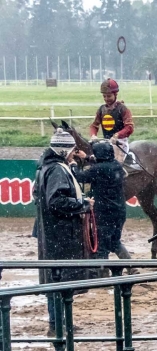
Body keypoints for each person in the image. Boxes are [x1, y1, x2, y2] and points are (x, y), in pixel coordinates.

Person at [33, 129, 94, 336]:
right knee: (60, 280)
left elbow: (41, 197)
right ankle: (59, 324)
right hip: (60, 234)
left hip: (52, 233)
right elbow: (56, 201)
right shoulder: (58, 170)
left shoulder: (45, 168)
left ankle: (58, 323)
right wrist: (82, 203)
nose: (72, 154)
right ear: (63, 151)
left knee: (55, 279)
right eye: (70, 151)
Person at [73, 142, 131, 262]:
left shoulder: (97, 169)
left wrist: (73, 165)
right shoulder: (116, 165)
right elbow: (102, 165)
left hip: (104, 213)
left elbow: (80, 176)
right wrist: (87, 158)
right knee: (115, 242)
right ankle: (131, 267)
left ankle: (102, 275)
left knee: (101, 247)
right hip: (119, 212)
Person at [89, 78, 139, 169]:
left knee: (115, 168)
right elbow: (94, 126)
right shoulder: (101, 109)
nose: (106, 99)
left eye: (109, 96)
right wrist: (93, 135)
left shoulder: (123, 109)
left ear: (115, 95)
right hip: (106, 142)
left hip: (120, 142)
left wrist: (117, 135)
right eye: (104, 96)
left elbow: (129, 127)